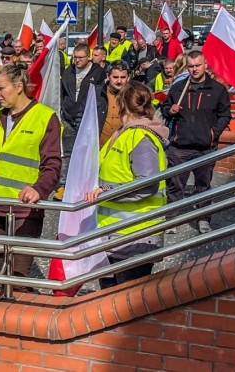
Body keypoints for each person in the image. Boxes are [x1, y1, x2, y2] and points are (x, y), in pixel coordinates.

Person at [0, 64, 62, 279]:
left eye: (0, 88)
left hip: (23, 209)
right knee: (3, 273)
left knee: (19, 274)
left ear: (19, 86)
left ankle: (23, 300)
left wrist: (39, 189)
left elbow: (53, 164)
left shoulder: (45, 117)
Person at [84, 81, 168, 288]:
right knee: (109, 297)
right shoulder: (124, 133)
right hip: (115, 234)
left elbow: (147, 183)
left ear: (121, 104)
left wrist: (107, 191)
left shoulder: (140, 137)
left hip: (135, 235)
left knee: (126, 298)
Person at [160, 51, 231, 234]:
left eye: (198, 65)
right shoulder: (178, 87)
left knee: (203, 186)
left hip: (205, 147)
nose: (194, 69)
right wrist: (170, 110)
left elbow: (225, 115)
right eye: (191, 66)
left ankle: (203, 218)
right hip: (179, 146)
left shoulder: (217, 89)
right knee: (175, 185)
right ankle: (172, 219)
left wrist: (213, 134)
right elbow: (164, 108)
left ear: (205, 65)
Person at [59, 45, 105, 187]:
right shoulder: (69, 71)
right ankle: (64, 184)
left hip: (86, 116)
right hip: (68, 116)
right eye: (75, 57)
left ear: (88, 57)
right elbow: (62, 91)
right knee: (67, 152)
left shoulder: (98, 72)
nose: (77, 60)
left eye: (80, 57)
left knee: (84, 151)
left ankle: (82, 182)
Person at [97, 61, 131, 147]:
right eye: (115, 77)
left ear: (128, 77)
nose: (119, 81)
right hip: (98, 146)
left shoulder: (133, 96)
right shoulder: (97, 93)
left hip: (122, 147)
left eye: (123, 77)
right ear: (108, 76)